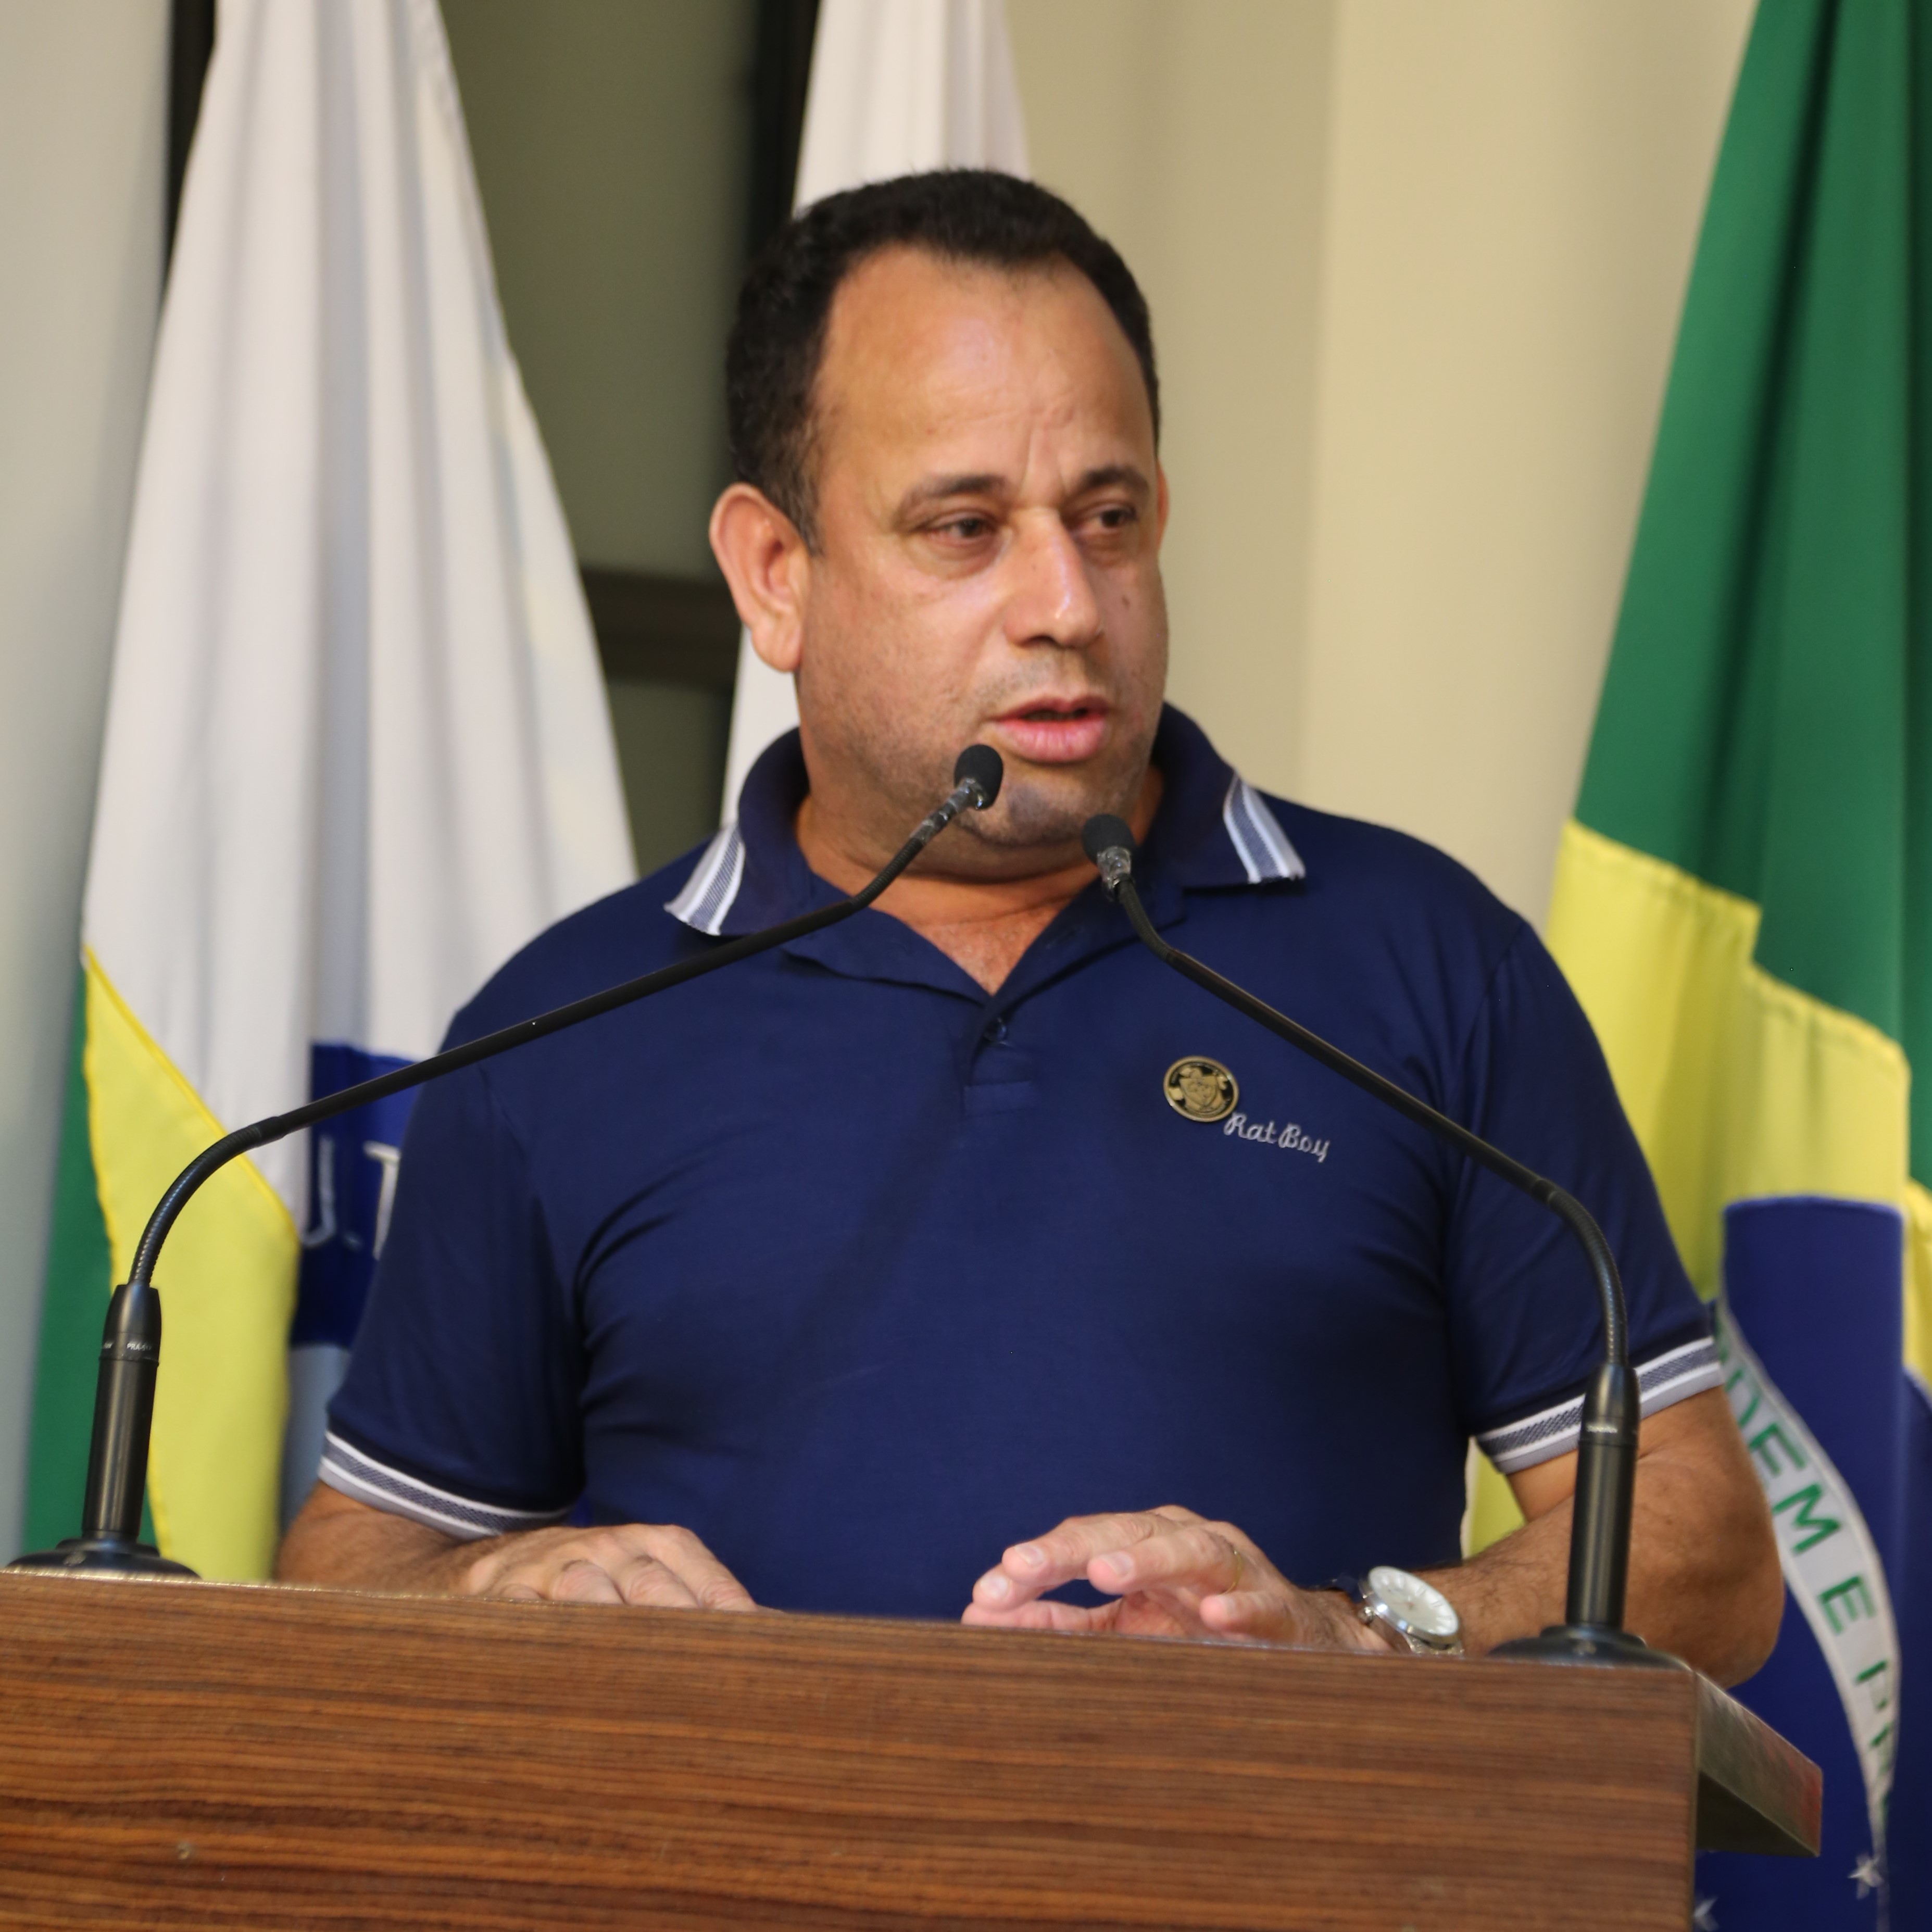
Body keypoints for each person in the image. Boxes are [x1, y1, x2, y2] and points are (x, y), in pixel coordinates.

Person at [280, 171, 1780, 1682]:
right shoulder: (560, 1034)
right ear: (775, 574)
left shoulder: (1425, 966)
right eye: (966, 528)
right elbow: (349, 1569)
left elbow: (1706, 1552)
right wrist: (497, 1587)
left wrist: (1367, 1631)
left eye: (1107, 519)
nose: (1066, 600)